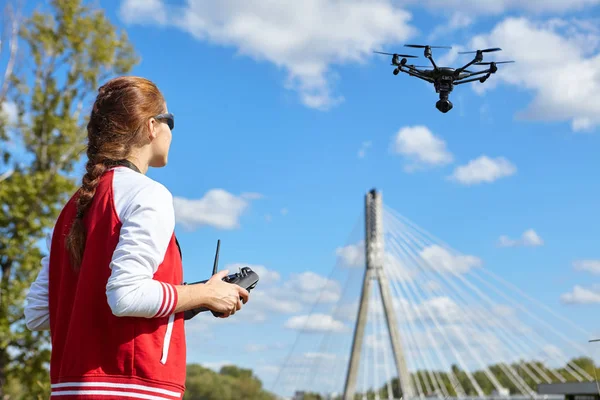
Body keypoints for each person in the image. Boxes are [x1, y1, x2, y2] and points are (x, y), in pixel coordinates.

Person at [23, 76, 250, 399]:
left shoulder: (73, 207)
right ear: (151, 126)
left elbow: (37, 313)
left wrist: (196, 299)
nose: (172, 133)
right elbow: (126, 296)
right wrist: (205, 294)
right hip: (132, 388)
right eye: (171, 121)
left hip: (70, 389)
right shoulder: (148, 194)